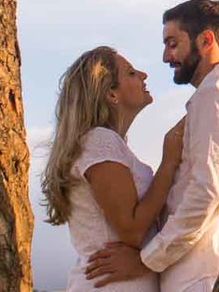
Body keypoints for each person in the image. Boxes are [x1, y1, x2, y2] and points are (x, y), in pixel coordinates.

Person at [86, 0, 219, 292]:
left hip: (197, 273)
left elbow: (206, 192)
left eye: (173, 44)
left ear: (206, 40)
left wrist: (147, 260)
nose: (166, 57)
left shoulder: (217, 94)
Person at [42, 46, 186, 292]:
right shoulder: (99, 141)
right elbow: (131, 231)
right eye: (130, 73)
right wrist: (169, 162)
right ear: (111, 94)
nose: (143, 75)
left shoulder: (107, 144)